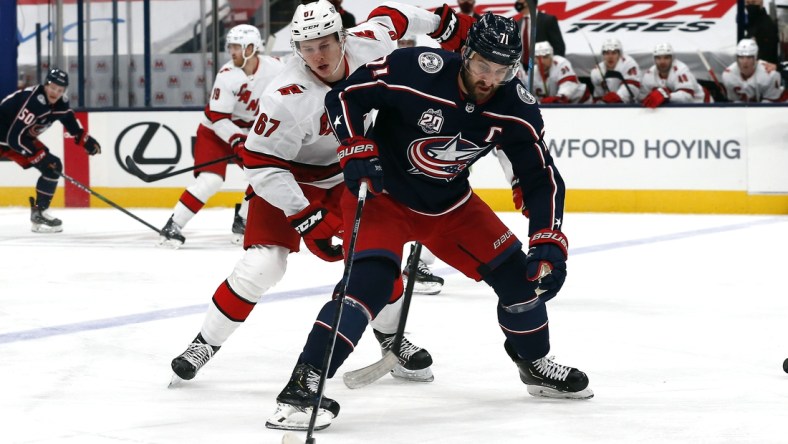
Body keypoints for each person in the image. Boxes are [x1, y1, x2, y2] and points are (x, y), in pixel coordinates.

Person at [267, 11, 593, 432]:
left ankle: (534, 364)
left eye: (501, 69)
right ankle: (303, 385)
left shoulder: (516, 108)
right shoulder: (414, 69)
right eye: (481, 65)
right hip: (382, 196)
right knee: (369, 285)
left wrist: (548, 239)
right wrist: (356, 146)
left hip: (450, 207)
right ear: (465, 53)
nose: (488, 78)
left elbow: (540, 177)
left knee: (522, 282)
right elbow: (346, 97)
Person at [170, 0, 473, 393]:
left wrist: (445, 25)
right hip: (287, 175)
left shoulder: (370, 43)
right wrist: (305, 216)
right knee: (263, 265)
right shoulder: (285, 94)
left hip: (350, 171)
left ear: (342, 37)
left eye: (326, 43)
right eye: (307, 47)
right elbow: (260, 163)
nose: (318, 55)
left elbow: (393, 15)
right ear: (296, 48)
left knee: (374, 260)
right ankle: (203, 344)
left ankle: (392, 340)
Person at [158, 25, 285, 248]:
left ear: (252, 48)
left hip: (248, 133)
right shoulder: (227, 76)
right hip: (215, 132)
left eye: (237, 46)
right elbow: (218, 117)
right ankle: (173, 225)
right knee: (211, 180)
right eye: (231, 47)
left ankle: (243, 221)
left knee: (264, 175)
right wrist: (236, 140)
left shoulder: (275, 68)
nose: (232, 52)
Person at [0, 68, 101, 232]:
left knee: (53, 166)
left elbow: (67, 117)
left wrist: (83, 138)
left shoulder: (61, 102)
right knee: (49, 164)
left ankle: (40, 213)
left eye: (60, 90)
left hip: (18, 138)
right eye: (53, 87)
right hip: (8, 138)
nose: (55, 92)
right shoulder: (34, 102)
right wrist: (37, 156)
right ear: (46, 85)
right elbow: (14, 138)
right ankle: (40, 213)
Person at [640, 43, 711, 108]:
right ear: (654, 59)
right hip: (674, 108)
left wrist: (666, 95)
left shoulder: (681, 70)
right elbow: (642, 97)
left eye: (666, 57)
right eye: (658, 58)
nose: (662, 62)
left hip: (702, 103)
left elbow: (687, 97)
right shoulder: (649, 74)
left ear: (672, 58)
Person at [722, 39, 787, 102]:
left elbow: (769, 107)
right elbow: (734, 103)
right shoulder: (728, 75)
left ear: (755, 58)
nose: (745, 62)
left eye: (749, 57)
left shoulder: (770, 74)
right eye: (741, 57)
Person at [524, 41, 590, 104]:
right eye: (538, 58)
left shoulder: (561, 64)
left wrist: (543, 102)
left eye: (545, 57)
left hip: (580, 103)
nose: (542, 61)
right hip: (551, 107)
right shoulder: (531, 72)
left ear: (551, 56)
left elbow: (564, 96)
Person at [590, 37, 643, 104]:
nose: (610, 56)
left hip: (630, 105)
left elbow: (632, 87)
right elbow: (598, 95)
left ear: (619, 54)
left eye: (614, 53)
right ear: (603, 55)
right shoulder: (596, 71)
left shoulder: (629, 64)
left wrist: (618, 96)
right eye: (607, 53)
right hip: (608, 106)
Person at [743, 0, 780, 64]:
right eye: (747, 3)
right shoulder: (751, 22)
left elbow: (767, 58)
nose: (749, 5)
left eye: (753, 2)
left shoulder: (767, 26)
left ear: (761, 2)